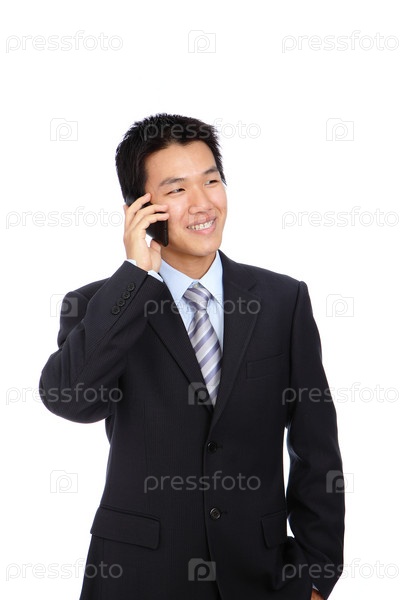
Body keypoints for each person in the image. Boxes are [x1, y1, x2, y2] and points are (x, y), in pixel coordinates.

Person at [39, 113, 345, 600]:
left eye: (211, 181)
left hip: (260, 577)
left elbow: (317, 448)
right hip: (138, 577)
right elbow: (70, 399)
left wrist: (317, 576)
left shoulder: (282, 301)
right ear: (139, 209)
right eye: (177, 189)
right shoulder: (101, 304)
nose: (203, 203)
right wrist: (134, 275)